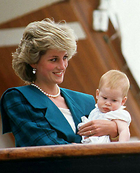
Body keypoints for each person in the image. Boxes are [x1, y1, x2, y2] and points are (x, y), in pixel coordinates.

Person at [0, 18, 117, 147]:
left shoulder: (85, 101)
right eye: (54, 59)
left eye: (65, 57)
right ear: (33, 61)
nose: (62, 66)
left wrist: (114, 128)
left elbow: (108, 143)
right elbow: (46, 144)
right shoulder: (17, 98)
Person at [78, 70, 131, 143]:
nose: (108, 103)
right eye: (105, 98)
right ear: (97, 94)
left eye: (114, 100)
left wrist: (121, 147)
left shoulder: (117, 114)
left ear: (122, 101)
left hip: (104, 148)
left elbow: (124, 131)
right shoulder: (95, 111)